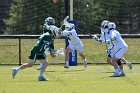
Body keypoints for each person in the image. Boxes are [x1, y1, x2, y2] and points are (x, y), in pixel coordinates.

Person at [12, 17, 61, 81]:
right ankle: (16, 69)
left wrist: (55, 54)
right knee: (30, 64)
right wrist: (51, 50)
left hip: (40, 52)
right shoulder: (46, 35)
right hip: (36, 51)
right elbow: (45, 46)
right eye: (56, 33)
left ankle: (41, 76)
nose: (56, 35)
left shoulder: (51, 40)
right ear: (53, 31)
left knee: (45, 63)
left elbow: (52, 54)